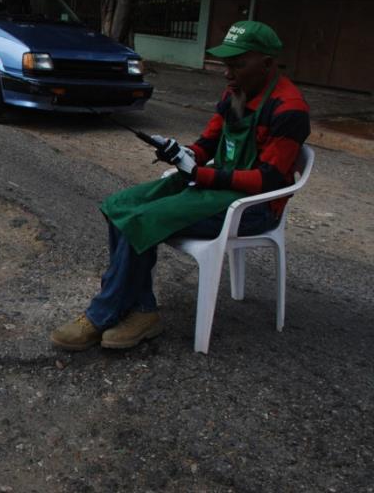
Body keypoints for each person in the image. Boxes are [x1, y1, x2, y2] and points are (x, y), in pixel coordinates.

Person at [50, 21, 311, 351]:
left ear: (267, 63)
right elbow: (208, 143)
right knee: (120, 205)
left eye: (237, 65)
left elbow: (266, 180)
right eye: (226, 64)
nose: (228, 73)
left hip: (252, 207)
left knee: (141, 219)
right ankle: (142, 310)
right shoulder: (234, 92)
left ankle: (102, 314)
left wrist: (200, 175)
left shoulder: (289, 109)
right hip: (215, 187)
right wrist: (183, 153)